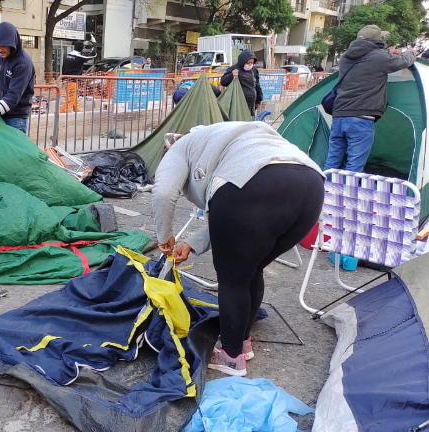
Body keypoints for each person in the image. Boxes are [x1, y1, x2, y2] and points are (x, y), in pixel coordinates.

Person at [152, 121, 324, 376]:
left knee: (233, 279)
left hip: (252, 183)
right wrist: (192, 243)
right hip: (311, 185)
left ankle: (231, 356)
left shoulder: (178, 149)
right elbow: (232, 224)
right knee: (250, 268)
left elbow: (164, 194)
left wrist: (164, 236)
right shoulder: (223, 138)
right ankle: (242, 341)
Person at [324, 25, 416, 173]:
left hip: (339, 115)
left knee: (332, 160)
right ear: (377, 40)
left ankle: (325, 192)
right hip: (361, 118)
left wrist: (389, 53)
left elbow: (369, 61)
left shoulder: (347, 56)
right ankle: (349, 194)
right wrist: (411, 53)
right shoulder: (380, 57)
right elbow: (403, 61)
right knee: (354, 164)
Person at [0, 22, 35, 134]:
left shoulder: (23, 64)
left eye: (3, 45)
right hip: (0, 113)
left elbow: (13, 97)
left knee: (14, 151)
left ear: (12, 44)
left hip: (16, 118)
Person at [60, 35, 97, 113]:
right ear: (82, 48)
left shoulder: (68, 55)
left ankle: (77, 111)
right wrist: (94, 43)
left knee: (74, 96)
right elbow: (94, 54)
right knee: (70, 98)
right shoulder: (79, 57)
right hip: (72, 81)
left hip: (65, 80)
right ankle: (62, 113)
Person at [220, 50, 263, 116]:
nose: (250, 65)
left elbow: (257, 85)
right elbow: (223, 81)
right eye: (248, 62)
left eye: (252, 63)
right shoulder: (234, 69)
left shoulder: (254, 70)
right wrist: (231, 75)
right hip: (239, 105)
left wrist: (258, 100)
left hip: (252, 104)